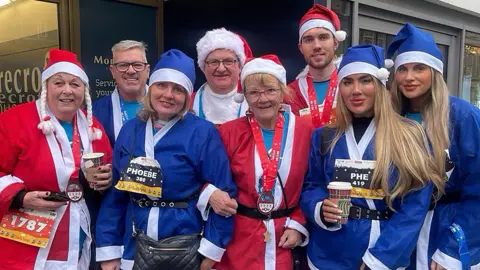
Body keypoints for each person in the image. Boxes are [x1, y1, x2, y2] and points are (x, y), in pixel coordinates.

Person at [301, 44, 444, 269]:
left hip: (383, 249)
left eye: (365, 80)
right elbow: (312, 186)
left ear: (380, 85)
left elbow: (415, 206)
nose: (355, 90)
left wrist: (381, 259)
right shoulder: (325, 136)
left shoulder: (409, 134)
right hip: (329, 253)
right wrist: (319, 206)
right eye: (348, 82)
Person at [95, 49, 237, 270]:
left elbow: (224, 193)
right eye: (162, 85)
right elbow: (116, 195)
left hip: (184, 246)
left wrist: (211, 251)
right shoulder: (130, 130)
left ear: (187, 97)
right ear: (151, 89)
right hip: (134, 241)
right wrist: (109, 250)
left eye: (178, 89)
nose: (168, 95)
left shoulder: (202, 132)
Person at [0, 48, 113, 269]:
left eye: (75, 84)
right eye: (59, 83)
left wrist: (105, 181)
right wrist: (20, 197)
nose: (67, 91)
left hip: (77, 236)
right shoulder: (13, 121)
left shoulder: (94, 128)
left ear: (84, 91)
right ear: (46, 88)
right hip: (26, 239)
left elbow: (105, 172)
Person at [387, 23, 480, 270]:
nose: (409, 77)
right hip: (400, 230)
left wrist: (452, 248)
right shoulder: (390, 117)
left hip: (447, 227)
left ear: (435, 72)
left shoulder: (463, 117)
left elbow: (478, 190)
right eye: (402, 69)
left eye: (419, 68)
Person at [210, 55, 311, 270]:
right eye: (253, 92)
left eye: (270, 90)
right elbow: (210, 179)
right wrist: (211, 193)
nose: (262, 99)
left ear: (283, 92)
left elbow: (313, 184)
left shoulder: (305, 131)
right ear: (244, 96)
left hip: (285, 237)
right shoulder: (229, 132)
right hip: (239, 240)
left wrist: (299, 224)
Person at [286, 4, 346, 129]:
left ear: (335, 43)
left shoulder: (351, 86)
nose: (317, 46)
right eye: (308, 40)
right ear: (300, 48)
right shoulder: (289, 94)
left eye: (323, 37)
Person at [93, 40, 150, 147]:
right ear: (113, 71)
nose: (131, 71)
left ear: (147, 70)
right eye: (123, 65)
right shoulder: (96, 112)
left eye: (137, 65)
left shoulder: (164, 106)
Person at [192, 28, 253, 126]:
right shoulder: (187, 104)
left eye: (228, 61)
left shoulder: (257, 102)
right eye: (213, 62)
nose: (221, 69)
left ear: (239, 66)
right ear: (203, 68)